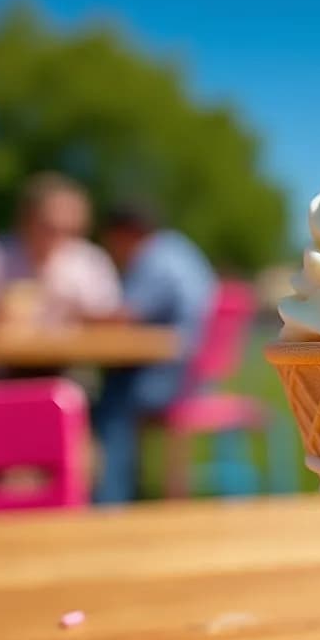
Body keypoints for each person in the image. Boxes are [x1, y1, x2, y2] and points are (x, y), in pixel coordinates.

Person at [94, 205, 216, 503]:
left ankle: (110, 502)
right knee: (111, 391)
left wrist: (81, 318)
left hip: (171, 376)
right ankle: (123, 491)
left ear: (126, 234)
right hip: (193, 374)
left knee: (110, 404)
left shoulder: (155, 258)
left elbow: (125, 315)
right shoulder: (179, 249)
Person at [0, 173, 121, 324]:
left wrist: (71, 312)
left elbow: (111, 317)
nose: (58, 239)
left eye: (69, 230)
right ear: (26, 220)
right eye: (49, 228)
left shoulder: (90, 260)